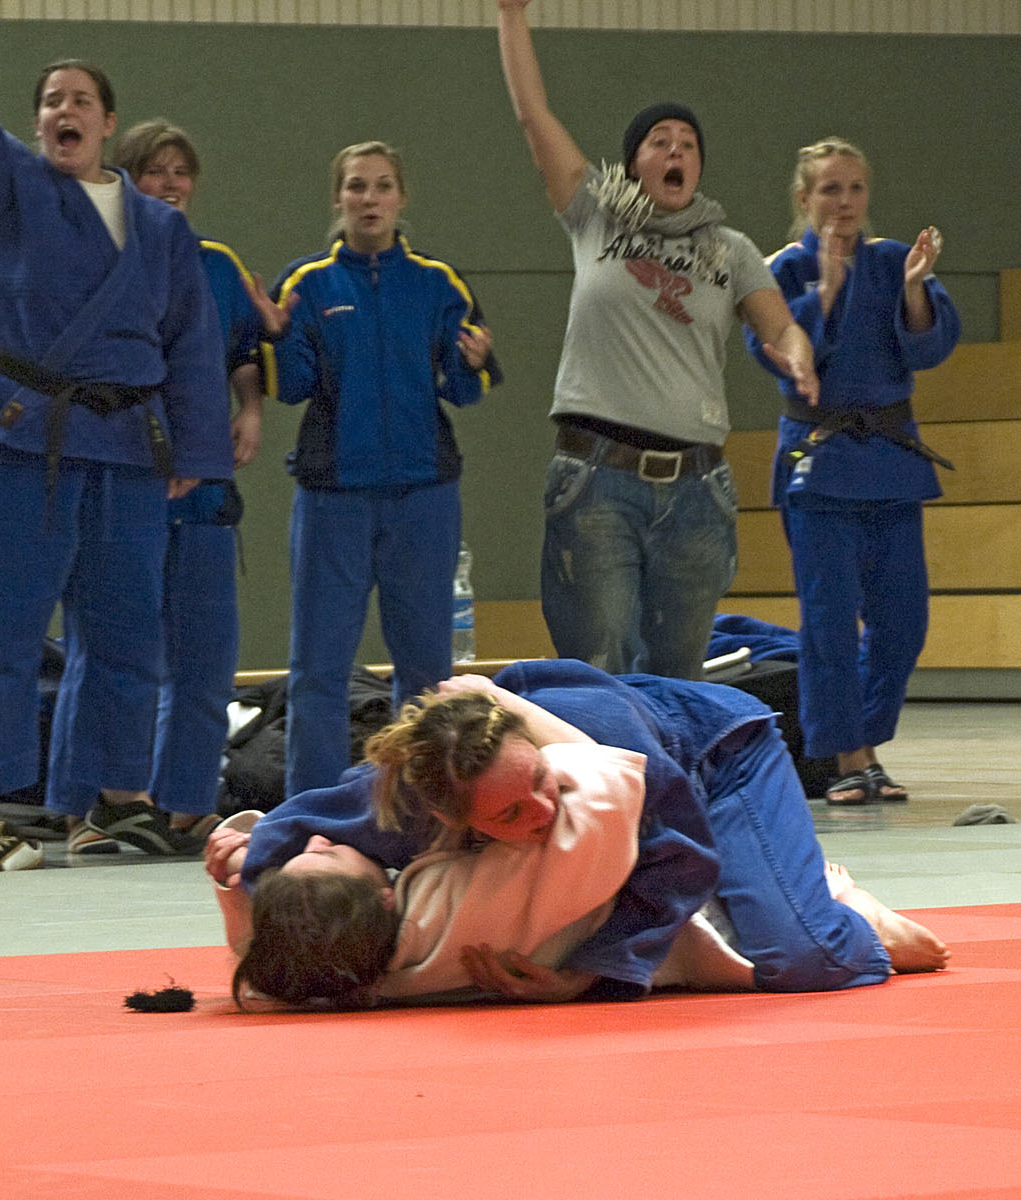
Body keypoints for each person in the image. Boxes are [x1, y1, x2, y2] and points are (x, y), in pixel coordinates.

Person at [0, 0, 232, 871]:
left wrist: (195, 456)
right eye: (50, 100)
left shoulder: (161, 228)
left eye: (80, 99)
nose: (65, 110)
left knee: (128, 633)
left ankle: (108, 801)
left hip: (128, 445)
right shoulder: (7, 188)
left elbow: (191, 348)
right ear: (37, 123)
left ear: (107, 123)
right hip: (15, 431)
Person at [209, 659, 947, 1008]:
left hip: (716, 762)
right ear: (445, 815)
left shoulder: (604, 764)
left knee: (802, 960)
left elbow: (678, 863)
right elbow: (305, 823)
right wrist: (246, 865)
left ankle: (829, 897)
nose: (540, 812)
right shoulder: (404, 797)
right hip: (641, 771)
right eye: (506, 817)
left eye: (539, 784)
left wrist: (593, 973)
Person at [494, 0, 818, 682]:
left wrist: (794, 351)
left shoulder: (729, 249)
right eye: (659, 141)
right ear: (634, 161)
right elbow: (533, 120)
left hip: (697, 490)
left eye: (687, 144)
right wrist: (510, 16)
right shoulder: (595, 218)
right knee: (596, 664)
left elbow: (776, 322)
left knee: (676, 674)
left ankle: (666, 790)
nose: (675, 151)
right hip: (597, 481)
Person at [271, 140, 500, 799]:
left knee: (426, 670)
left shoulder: (438, 283)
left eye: (380, 186)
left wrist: (476, 359)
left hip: (423, 497)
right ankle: (311, 809)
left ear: (401, 198)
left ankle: (425, 805)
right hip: (333, 499)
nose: (368, 199)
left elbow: (464, 389)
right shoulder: (305, 284)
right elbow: (289, 387)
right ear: (337, 199)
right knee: (318, 667)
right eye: (355, 187)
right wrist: (278, 336)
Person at [743, 138, 959, 806]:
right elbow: (780, 353)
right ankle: (845, 758)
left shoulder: (894, 260)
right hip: (821, 459)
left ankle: (860, 742)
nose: (843, 202)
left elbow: (929, 347)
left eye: (854, 188)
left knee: (902, 624)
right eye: (829, 189)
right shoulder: (778, 272)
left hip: (891, 459)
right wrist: (826, 295)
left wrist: (916, 290)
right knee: (829, 621)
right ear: (802, 198)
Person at [104, 119, 285, 852]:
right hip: (130, 492)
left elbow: (245, 350)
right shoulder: (103, 260)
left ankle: (185, 803)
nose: (171, 184)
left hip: (208, 500)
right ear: (127, 180)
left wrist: (248, 408)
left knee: (205, 663)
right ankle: (115, 802)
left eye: (181, 171)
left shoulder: (219, 265)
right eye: (155, 171)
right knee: (122, 657)